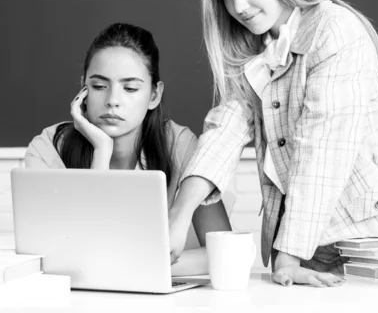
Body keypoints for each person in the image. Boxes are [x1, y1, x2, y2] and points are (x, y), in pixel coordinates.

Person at [168, 0, 378, 288]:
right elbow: (224, 133)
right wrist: (178, 218)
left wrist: (288, 257)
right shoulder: (256, 52)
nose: (239, 7)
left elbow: (322, 153)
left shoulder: (335, 30)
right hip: (298, 247)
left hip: (362, 243)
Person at [25, 22, 231, 276]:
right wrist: (102, 150)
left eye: (130, 88)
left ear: (154, 95)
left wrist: (129, 267)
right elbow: (56, 254)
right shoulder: (48, 148)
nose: (112, 101)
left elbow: (224, 251)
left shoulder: (179, 145)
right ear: (83, 89)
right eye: (99, 86)